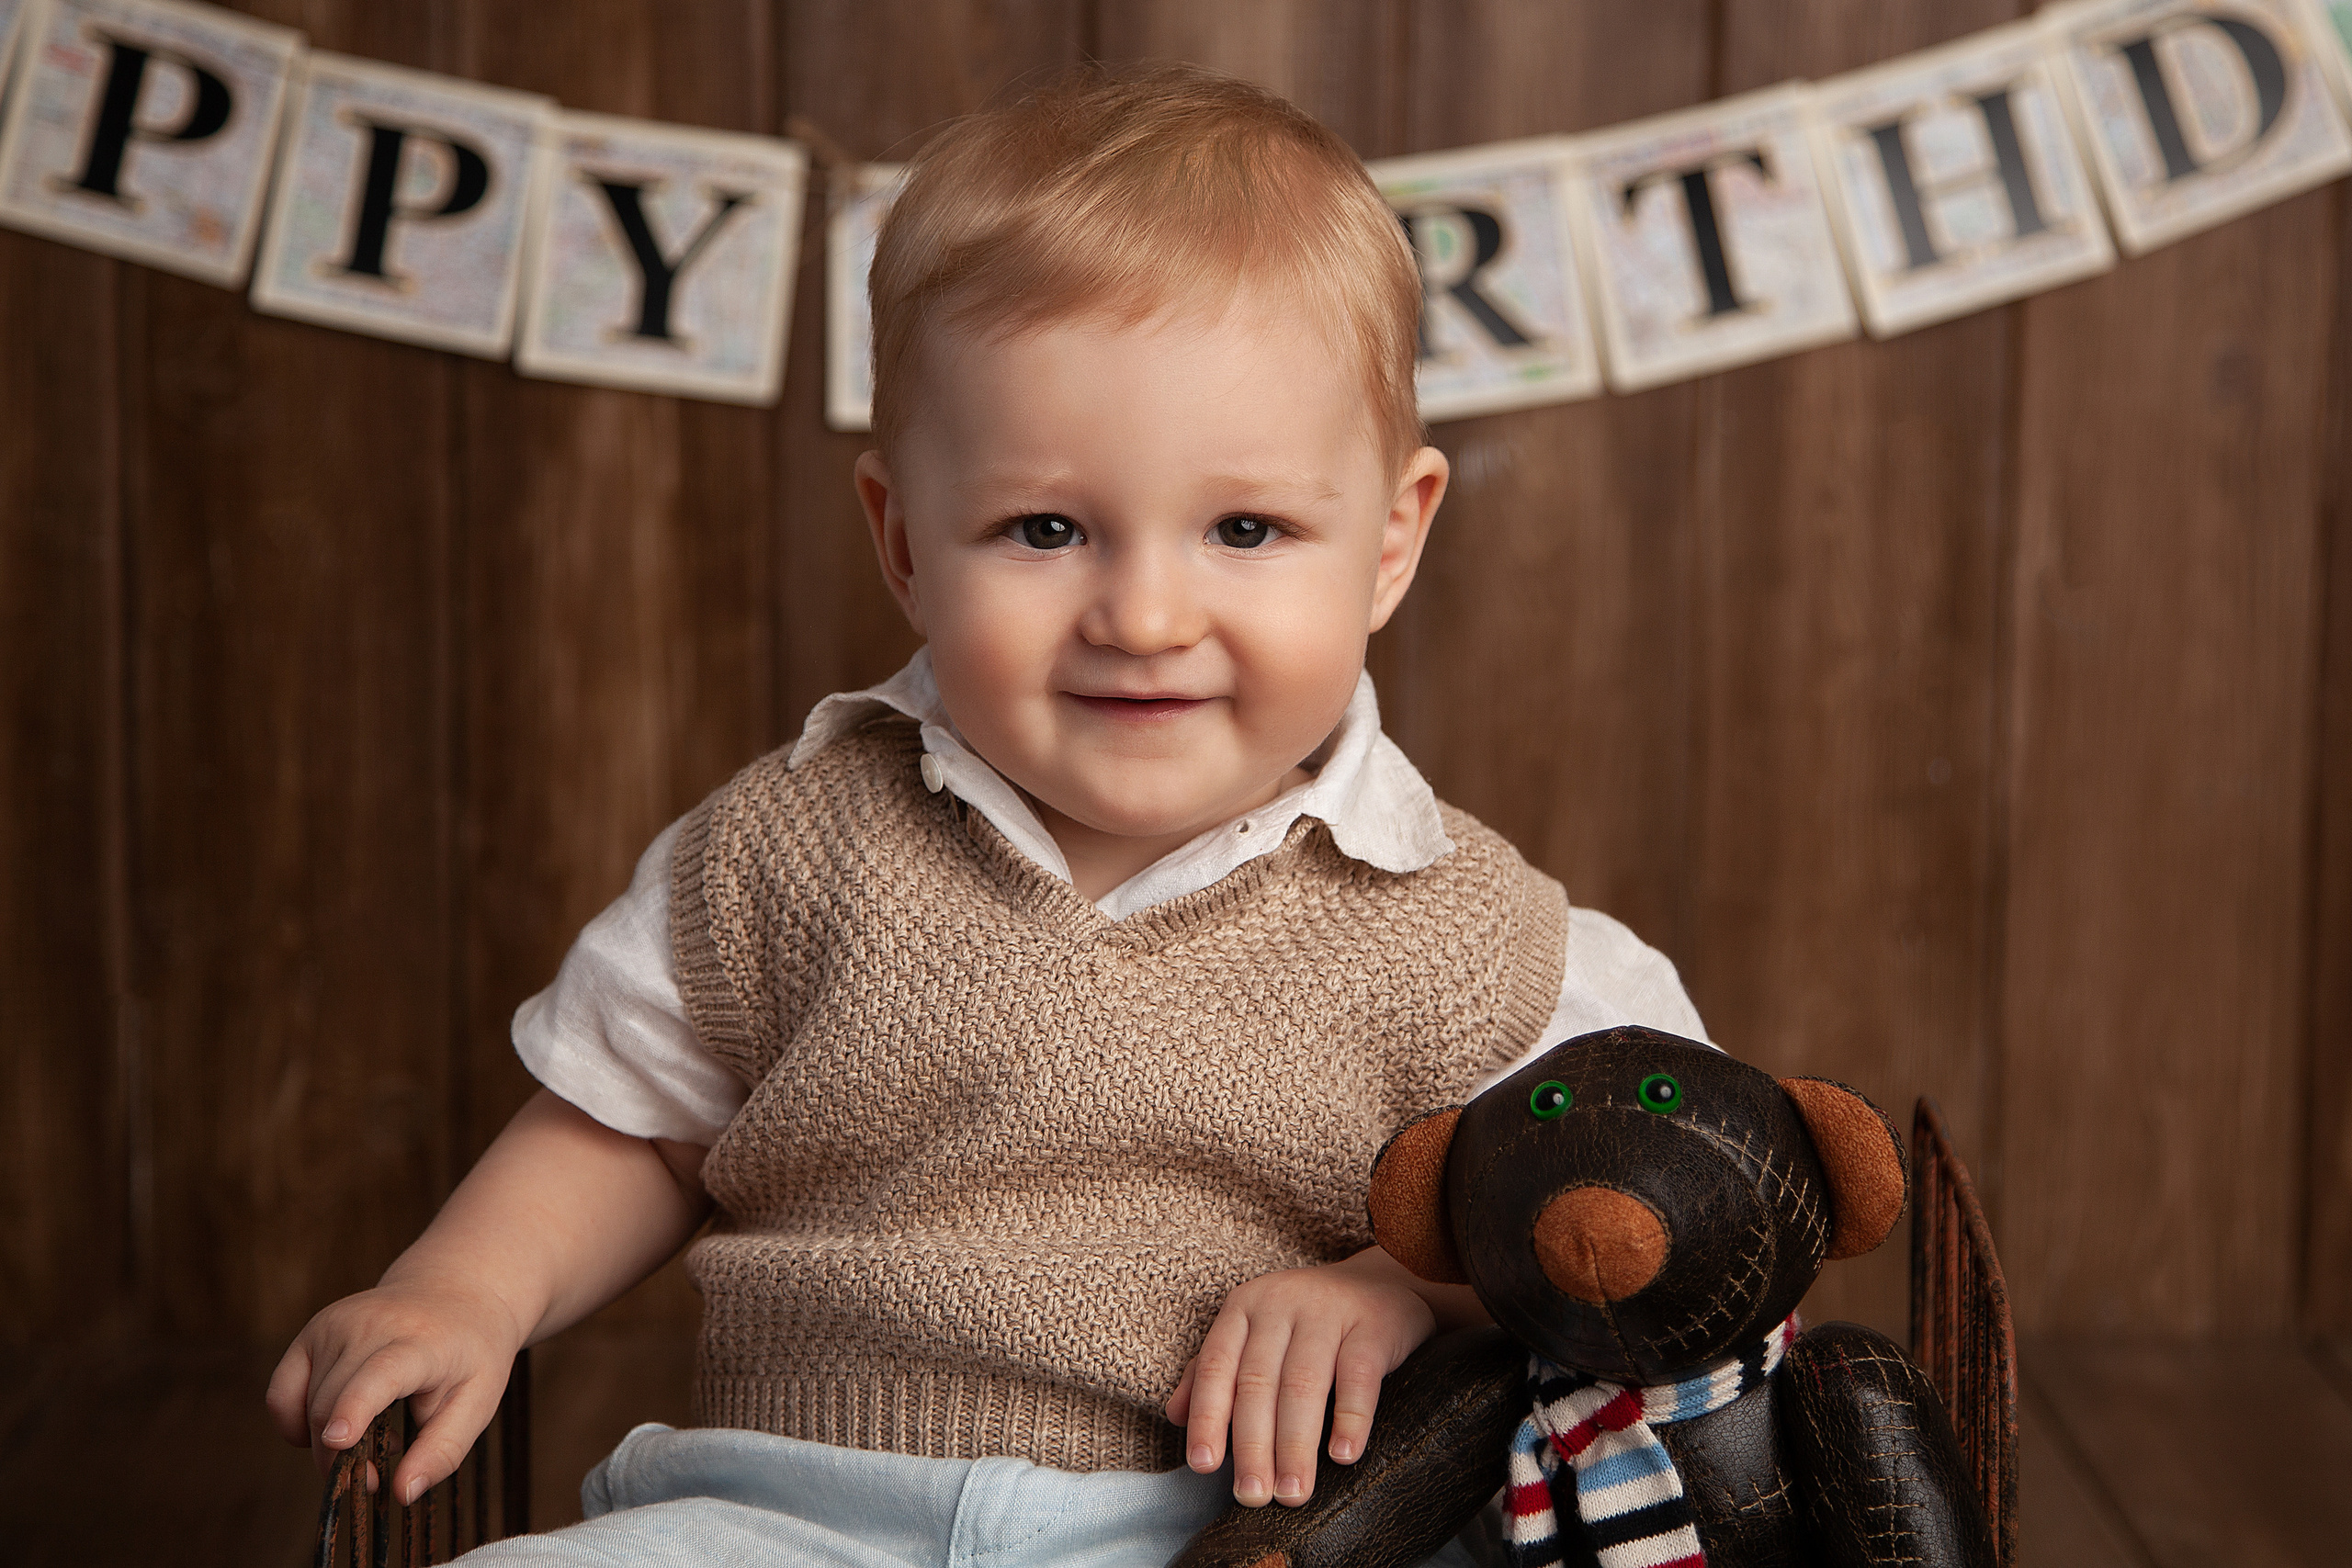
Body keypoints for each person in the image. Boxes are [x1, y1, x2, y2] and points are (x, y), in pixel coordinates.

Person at [266, 63, 1707, 1566]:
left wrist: (1404, 1287)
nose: (1144, 616)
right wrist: (464, 1291)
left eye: (1245, 529)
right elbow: (629, 1129)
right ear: (903, 542)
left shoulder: (1477, 939)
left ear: (1391, 541)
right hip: (790, 1512)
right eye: (1045, 529)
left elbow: (1652, 1205)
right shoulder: (789, 849)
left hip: (1241, 1536)